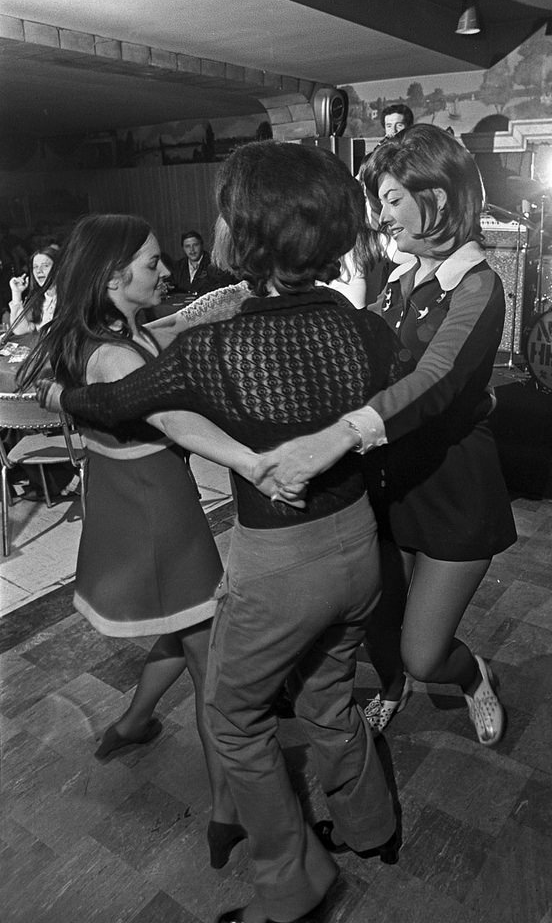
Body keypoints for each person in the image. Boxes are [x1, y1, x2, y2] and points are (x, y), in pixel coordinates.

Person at [40, 144, 404, 923]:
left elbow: (111, 403)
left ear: (248, 231)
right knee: (331, 694)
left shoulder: (217, 348)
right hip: (360, 547)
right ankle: (371, 826)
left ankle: (292, 886)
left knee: (235, 718)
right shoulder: (364, 326)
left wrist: (59, 389)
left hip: (285, 564)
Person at [22, 213, 284, 870]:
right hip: (158, 516)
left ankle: (135, 722)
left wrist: (203, 310)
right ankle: (226, 809)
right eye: (149, 265)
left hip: (134, 501)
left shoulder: (106, 334)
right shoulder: (111, 353)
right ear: (112, 279)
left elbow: (157, 336)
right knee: (213, 670)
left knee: (189, 629)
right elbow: (172, 416)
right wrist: (257, 464)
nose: (164, 270)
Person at [256, 124, 517, 744]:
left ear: (441, 198)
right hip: (390, 480)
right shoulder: (402, 283)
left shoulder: (478, 286)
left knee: (426, 653)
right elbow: (353, 347)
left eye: (394, 200)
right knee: (379, 616)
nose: (383, 216)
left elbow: (438, 377)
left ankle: (471, 675)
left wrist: (338, 436)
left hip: (454, 485)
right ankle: (393, 687)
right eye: (381, 202)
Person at [7, 244, 60, 335]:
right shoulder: (39, 300)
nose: (39, 270)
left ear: (58, 268)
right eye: (35, 267)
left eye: (45, 265)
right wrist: (16, 293)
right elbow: (19, 330)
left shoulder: (70, 300)